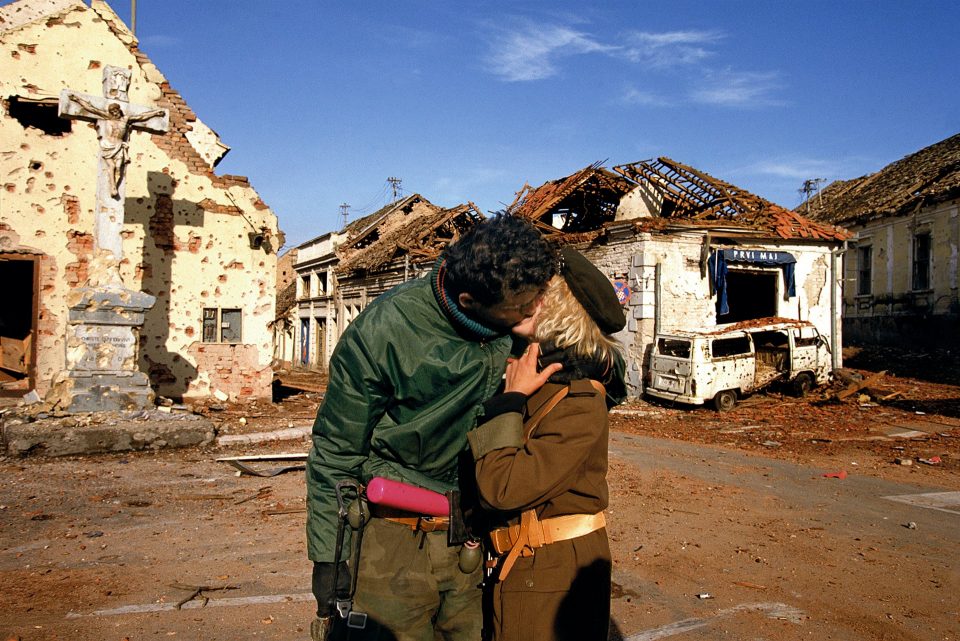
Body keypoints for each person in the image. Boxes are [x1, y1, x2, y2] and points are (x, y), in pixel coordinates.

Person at [306, 213, 557, 641]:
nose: (538, 310)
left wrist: (541, 331)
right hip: (391, 545)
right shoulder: (384, 331)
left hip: (470, 542)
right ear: (468, 300)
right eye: (522, 306)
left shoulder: (519, 321)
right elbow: (336, 451)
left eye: (539, 298)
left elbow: (607, 369)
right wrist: (330, 560)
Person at [467, 246, 627, 641]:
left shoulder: (581, 399)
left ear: (561, 311)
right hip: (527, 565)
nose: (521, 302)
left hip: (553, 573)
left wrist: (508, 402)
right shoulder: (541, 381)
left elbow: (503, 488)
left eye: (538, 297)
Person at [66, 94, 165, 198]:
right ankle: (112, 187)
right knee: (112, 166)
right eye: (112, 112)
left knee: (118, 167)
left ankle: (115, 187)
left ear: (119, 110)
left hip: (119, 145)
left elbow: (142, 116)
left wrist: (156, 113)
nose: (114, 113)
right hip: (108, 144)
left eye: (116, 111)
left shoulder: (126, 119)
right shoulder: (107, 117)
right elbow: (91, 109)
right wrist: (77, 99)